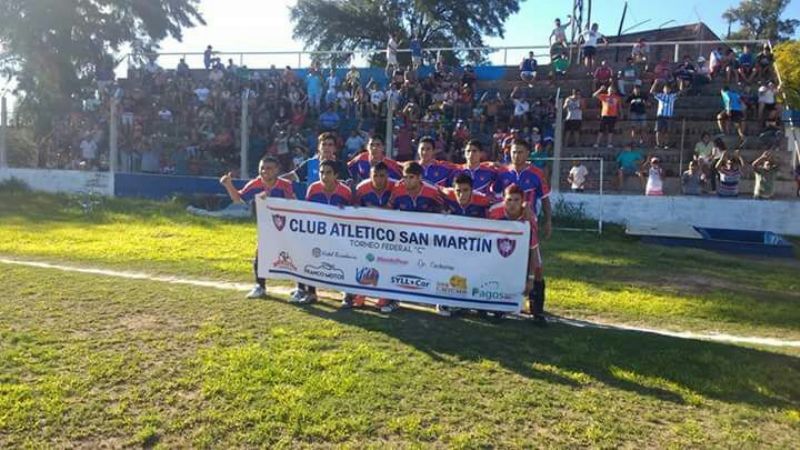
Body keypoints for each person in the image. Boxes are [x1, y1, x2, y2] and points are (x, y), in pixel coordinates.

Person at [219, 157, 295, 299]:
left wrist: (274, 201)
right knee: (260, 254)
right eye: (262, 168)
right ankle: (260, 286)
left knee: (293, 254)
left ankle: (301, 288)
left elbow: (293, 203)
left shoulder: (285, 185)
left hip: (286, 226)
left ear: (277, 170)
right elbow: (238, 199)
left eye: (269, 168)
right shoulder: (255, 184)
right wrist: (228, 185)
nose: (265, 171)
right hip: (265, 226)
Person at [387, 161, 444, 314]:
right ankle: (393, 299)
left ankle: (441, 301)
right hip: (404, 238)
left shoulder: (432, 191)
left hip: (428, 239)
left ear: (420, 178)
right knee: (396, 267)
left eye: (411, 177)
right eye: (405, 177)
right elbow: (388, 211)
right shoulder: (398, 189)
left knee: (435, 268)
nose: (407, 181)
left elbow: (444, 213)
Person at [489, 185, 549, 324]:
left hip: (524, 248)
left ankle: (537, 310)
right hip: (500, 247)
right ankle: (499, 306)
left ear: (522, 201)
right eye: (509, 200)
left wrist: (530, 278)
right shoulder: (494, 212)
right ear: (503, 200)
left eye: (516, 200)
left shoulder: (529, 218)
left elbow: (533, 250)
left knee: (538, 270)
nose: (512, 204)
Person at [303, 160, 357, 307]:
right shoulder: (313, 188)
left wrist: (343, 211)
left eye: (328, 173)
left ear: (336, 175)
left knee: (344, 261)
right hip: (318, 234)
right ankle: (311, 293)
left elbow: (352, 213)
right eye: (322, 172)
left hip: (339, 235)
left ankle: (347, 294)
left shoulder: (345, 191)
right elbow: (307, 211)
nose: (324, 176)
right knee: (311, 259)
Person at [354, 162, 397, 313]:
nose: (379, 179)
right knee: (366, 260)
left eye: (382, 175)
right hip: (368, 233)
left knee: (388, 263)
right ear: (370, 176)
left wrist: (373, 210)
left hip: (391, 233)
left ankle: (389, 297)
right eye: (375, 176)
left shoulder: (396, 187)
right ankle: (361, 292)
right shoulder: (361, 188)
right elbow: (355, 210)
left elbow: (393, 211)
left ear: (388, 176)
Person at [493, 139, 553, 242]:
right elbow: (495, 195)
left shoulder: (537, 173)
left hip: (528, 221)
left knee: (528, 255)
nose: (516, 155)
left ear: (527, 153)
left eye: (520, 152)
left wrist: (548, 221)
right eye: (514, 152)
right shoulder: (502, 172)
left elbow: (545, 199)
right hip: (506, 221)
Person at [282, 132, 350, 186]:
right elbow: (292, 176)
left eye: (330, 145)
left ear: (335, 149)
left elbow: (349, 183)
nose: (326, 147)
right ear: (318, 147)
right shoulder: (309, 164)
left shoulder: (341, 165)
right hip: (313, 202)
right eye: (324, 144)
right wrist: (274, 180)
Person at [651, 82, 679, 149]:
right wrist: (655, 83)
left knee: (667, 132)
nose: (667, 90)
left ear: (670, 90)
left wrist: (679, 83)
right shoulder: (660, 95)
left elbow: (680, 93)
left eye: (668, 89)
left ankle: (666, 144)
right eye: (665, 89)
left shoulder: (672, 96)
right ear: (663, 89)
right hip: (660, 116)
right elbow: (652, 92)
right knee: (658, 131)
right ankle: (658, 144)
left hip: (668, 116)